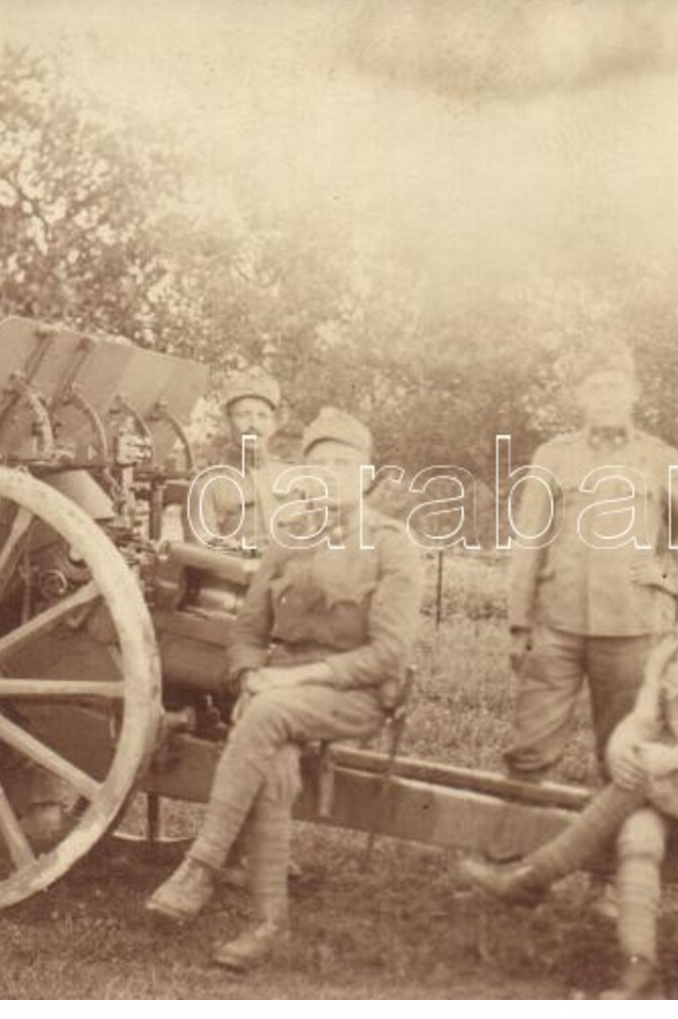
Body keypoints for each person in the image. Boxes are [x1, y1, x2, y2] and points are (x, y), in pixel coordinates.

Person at [462, 523, 678, 999]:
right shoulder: (671, 646)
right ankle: (639, 973)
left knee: (642, 784)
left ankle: (533, 878)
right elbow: (642, 719)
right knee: (638, 831)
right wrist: (622, 745)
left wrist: (675, 757)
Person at [147, 407, 424, 970]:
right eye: (319, 465)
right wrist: (249, 675)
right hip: (278, 689)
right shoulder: (289, 538)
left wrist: (284, 681)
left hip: (355, 691)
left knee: (264, 719)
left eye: (344, 465)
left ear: (366, 474)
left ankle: (201, 866)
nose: (331, 475)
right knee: (272, 765)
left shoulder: (393, 545)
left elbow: (388, 654)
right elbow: (248, 631)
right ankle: (268, 925)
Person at [504, 342, 678, 783]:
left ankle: (610, 848)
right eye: (595, 387)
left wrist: (674, 578)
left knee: (622, 753)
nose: (605, 395)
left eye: (614, 386)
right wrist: (518, 623)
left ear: (634, 393)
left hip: (632, 629)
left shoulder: (657, 457)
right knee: (529, 747)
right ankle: (509, 850)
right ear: (580, 396)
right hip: (556, 626)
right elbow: (528, 542)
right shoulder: (554, 456)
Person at [188, 366, 295, 552]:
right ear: (227, 421)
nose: (254, 425)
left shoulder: (293, 478)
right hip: (232, 577)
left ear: (274, 424)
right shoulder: (207, 485)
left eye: (262, 416)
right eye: (243, 415)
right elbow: (202, 547)